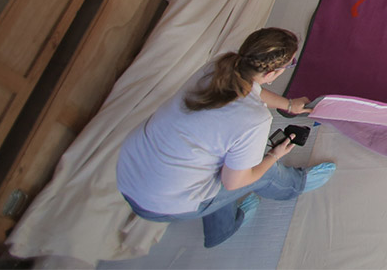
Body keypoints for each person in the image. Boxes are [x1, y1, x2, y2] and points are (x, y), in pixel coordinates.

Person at [116, 27, 335, 248]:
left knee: (228, 159)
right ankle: (296, 185)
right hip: (159, 204)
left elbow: (251, 91)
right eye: (289, 64)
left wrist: (289, 105)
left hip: (128, 171)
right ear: (271, 74)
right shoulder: (254, 120)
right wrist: (273, 156)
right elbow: (234, 183)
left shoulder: (221, 66)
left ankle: (221, 229)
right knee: (262, 171)